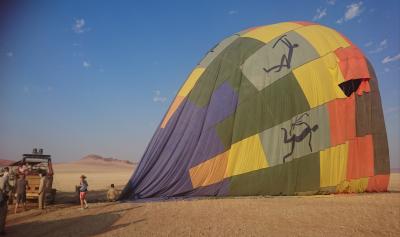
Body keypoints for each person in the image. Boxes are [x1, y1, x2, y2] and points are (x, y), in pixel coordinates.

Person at [0, 167, 10, 235]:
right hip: (2, 200)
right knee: (2, 216)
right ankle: (1, 230)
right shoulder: (4, 179)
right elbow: (7, 190)